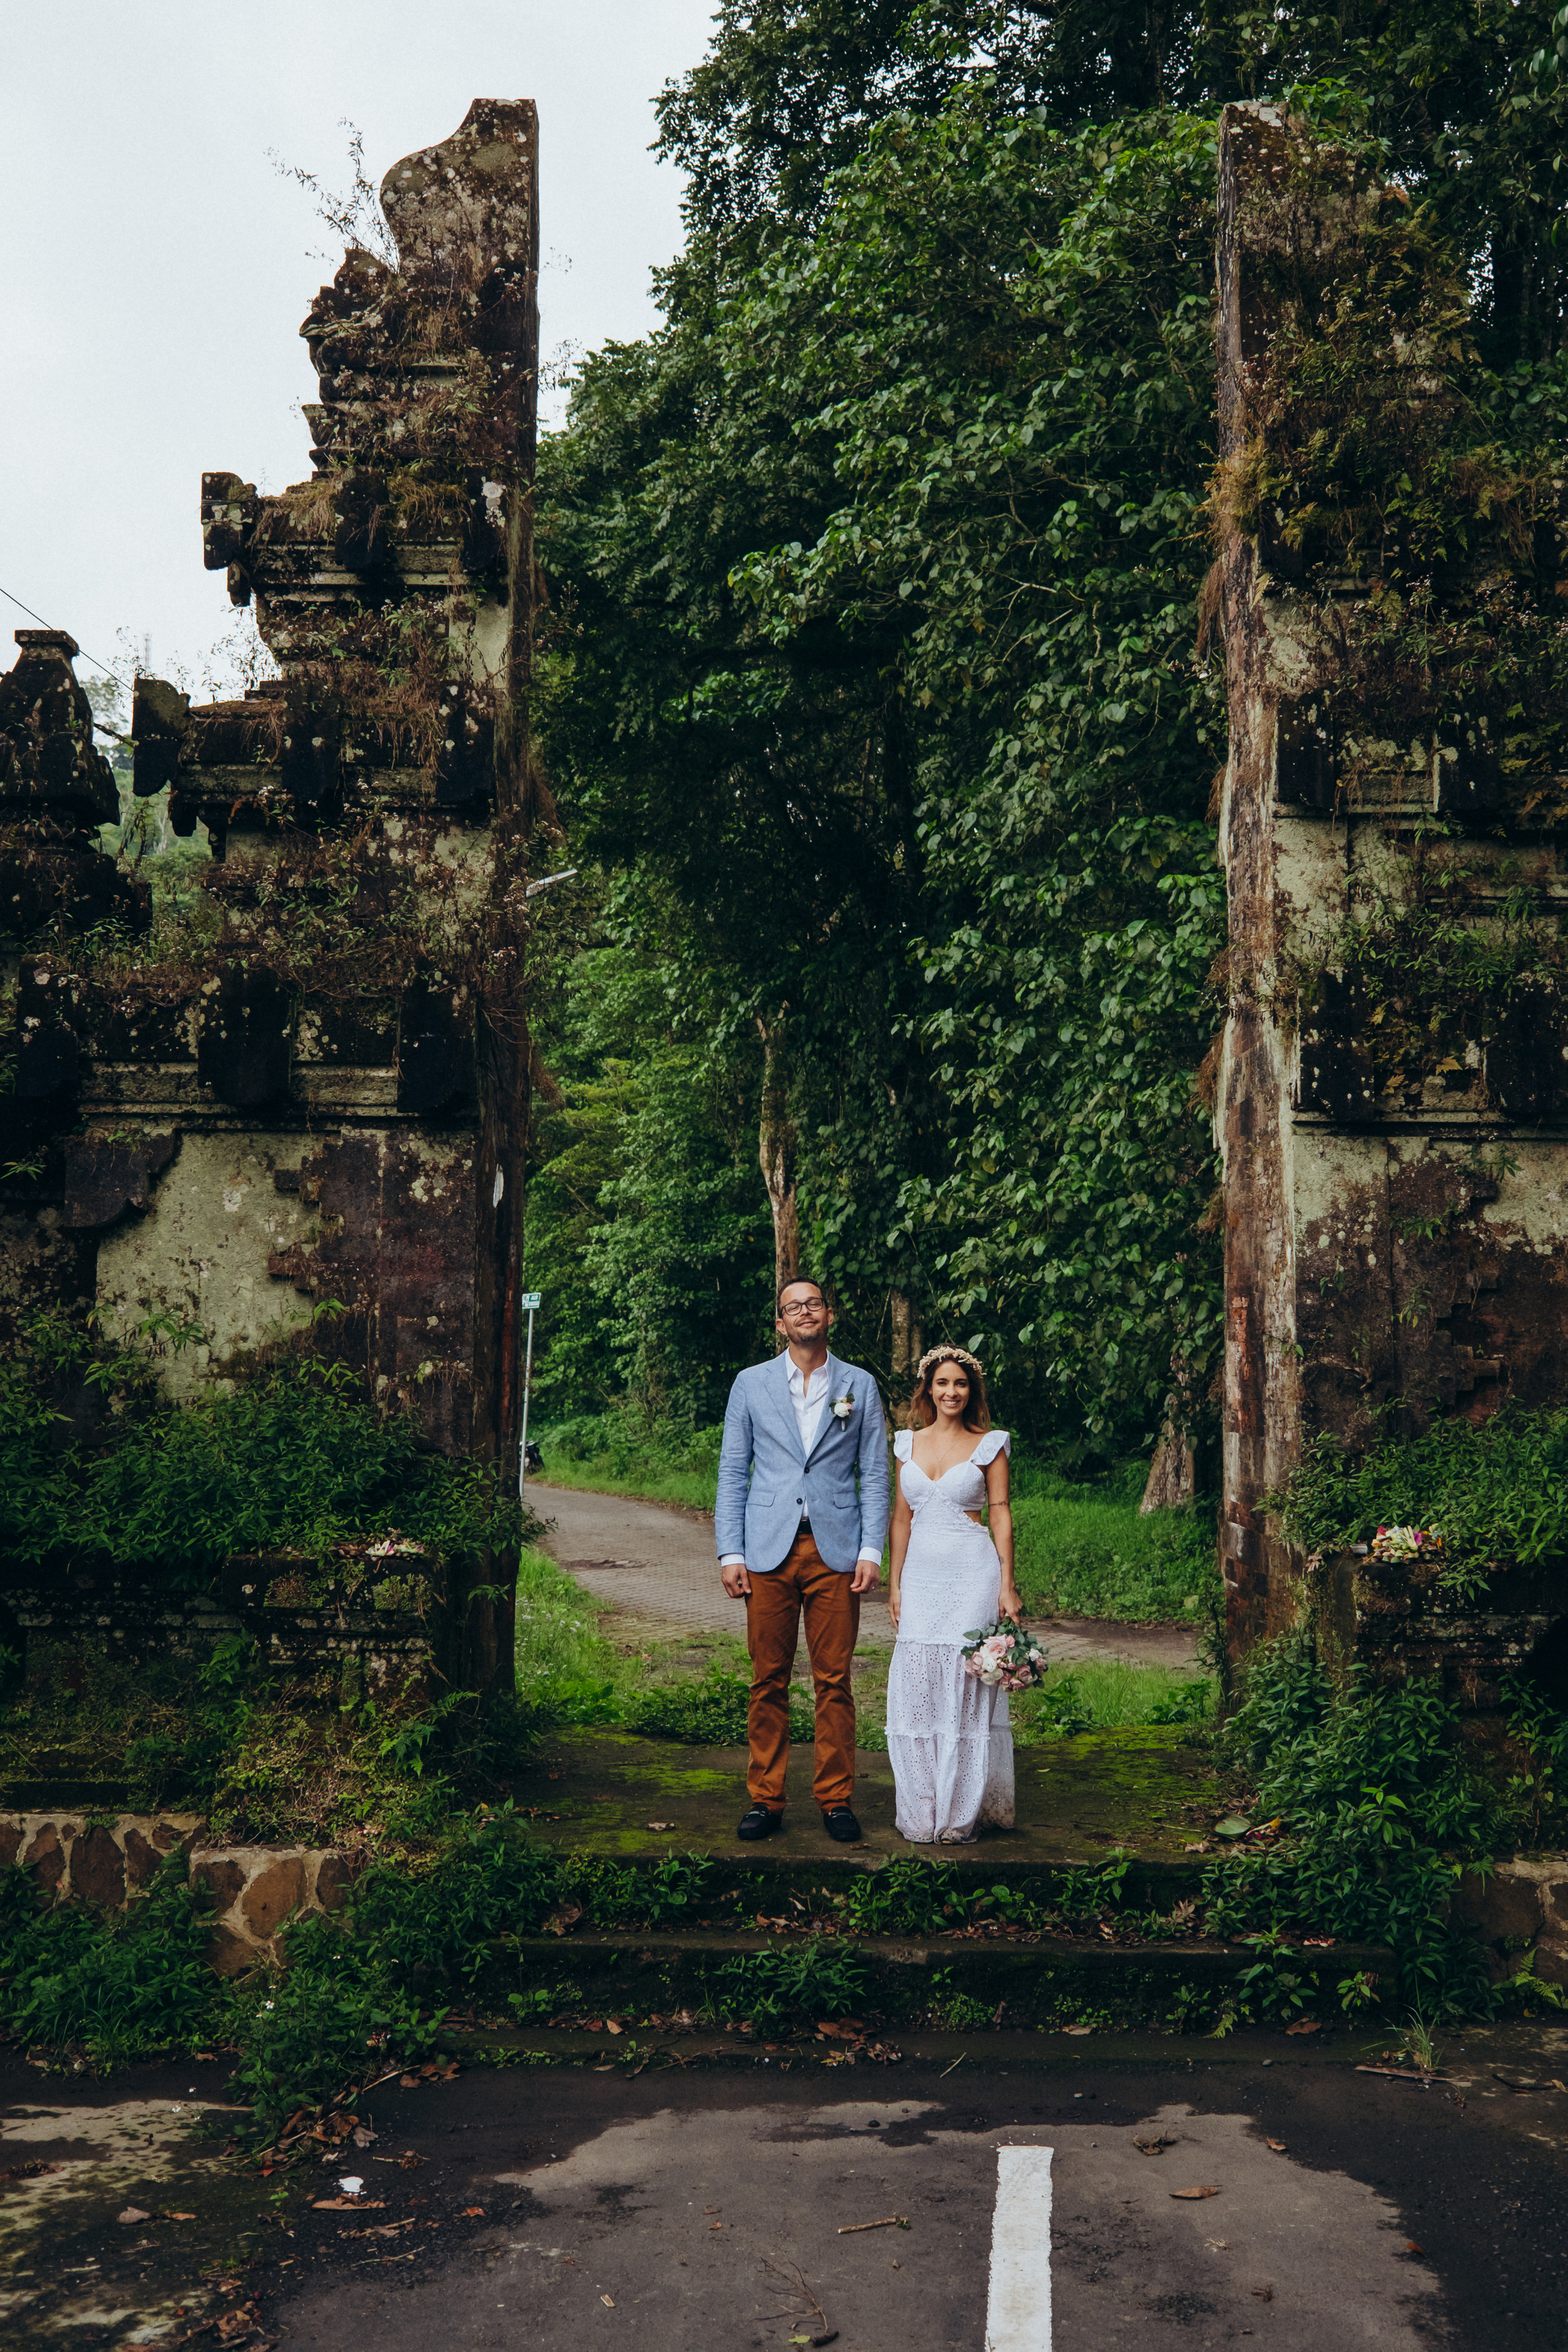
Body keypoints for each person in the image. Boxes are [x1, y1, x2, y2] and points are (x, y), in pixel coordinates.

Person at [715, 1275, 890, 1843]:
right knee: (767, 1679)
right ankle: (765, 1799)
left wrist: (870, 1549)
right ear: (780, 1323)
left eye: (813, 1303)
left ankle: (836, 1799)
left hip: (835, 1549)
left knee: (833, 1680)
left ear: (828, 1315)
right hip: (766, 1549)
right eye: (794, 1306)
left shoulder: (859, 1385)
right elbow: (733, 1472)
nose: (805, 1312)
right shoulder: (750, 1384)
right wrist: (730, 1550)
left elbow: (875, 1474)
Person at [886, 1344, 1020, 1845]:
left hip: (971, 1571)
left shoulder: (990, 1445)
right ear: (928, 1389)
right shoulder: (905, 1445)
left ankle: (961, 1809)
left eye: (960, 1384)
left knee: (965, 1683)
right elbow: (901, 1519)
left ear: (972, 1392)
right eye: (942, 1383)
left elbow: (1001, 1513)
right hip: (920, 1574)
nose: (951, 1392)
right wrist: (894, 1583)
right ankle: (924, 1804)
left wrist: (1007, 1584)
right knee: (919, 1683)